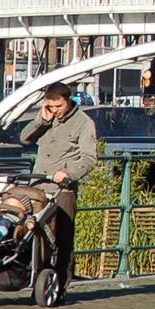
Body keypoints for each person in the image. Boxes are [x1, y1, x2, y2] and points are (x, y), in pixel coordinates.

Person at [19, 81, 99, 291]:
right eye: (51, 107)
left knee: (63, 238)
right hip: (37, 186)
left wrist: (69, 173)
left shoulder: (83, 123)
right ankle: (36, 279)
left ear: (69, 101)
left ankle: (60, 285)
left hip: (63, 189)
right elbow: (24, 138)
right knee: (32, 233)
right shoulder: (47, 119)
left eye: (59, 107)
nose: (55, 111)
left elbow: (89, 157)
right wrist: (41, 121)